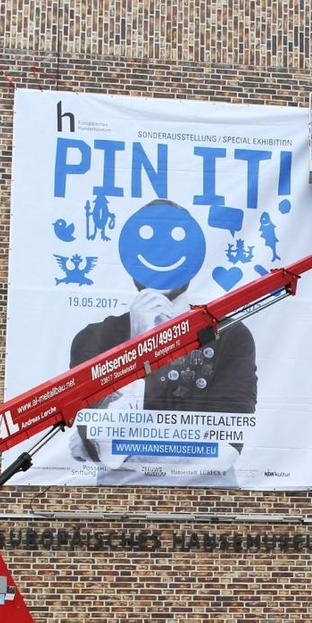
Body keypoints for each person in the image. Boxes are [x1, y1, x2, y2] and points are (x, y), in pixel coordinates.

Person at [68, 199, 258, 486]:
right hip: (117, 504)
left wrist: (126, 450)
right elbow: (97, 447)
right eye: (150, 242)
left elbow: (224, 451)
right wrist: (139, 343)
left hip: (210, 505)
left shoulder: (229, 334)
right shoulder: (94, 337)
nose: (162, 256)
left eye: (174, 241)